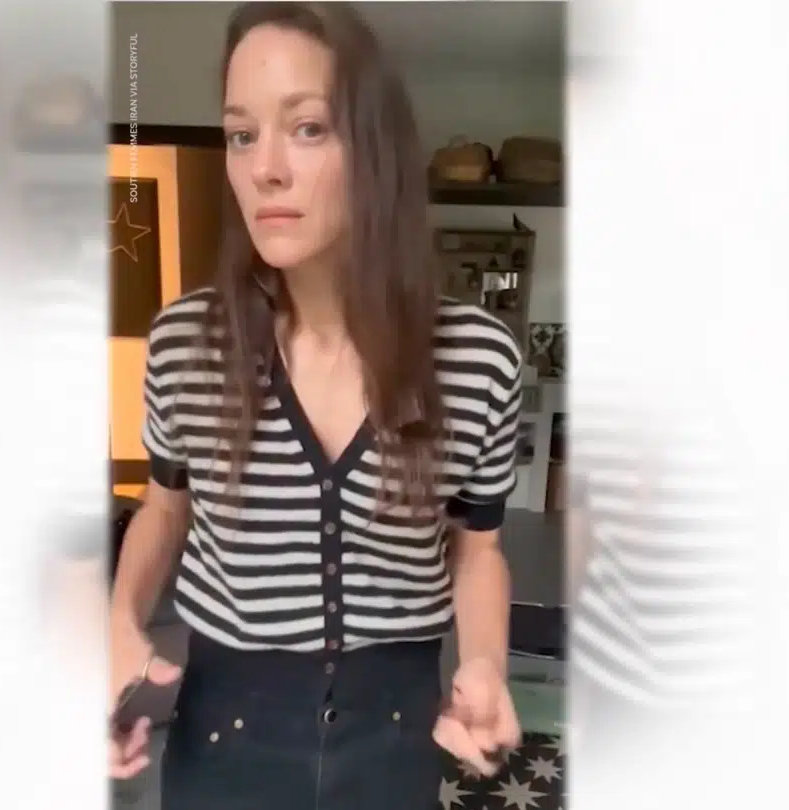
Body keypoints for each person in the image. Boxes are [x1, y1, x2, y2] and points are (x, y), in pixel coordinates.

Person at [104, 3, 525, 808]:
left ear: (376, 149)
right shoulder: (187, 344)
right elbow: (165, 507)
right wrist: (120, 624)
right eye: (241, 134)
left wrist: (485, 663)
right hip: (224, 739)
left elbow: (477, 549)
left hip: (394, 736)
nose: (264, 168)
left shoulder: (477, 359)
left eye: (307, 128)